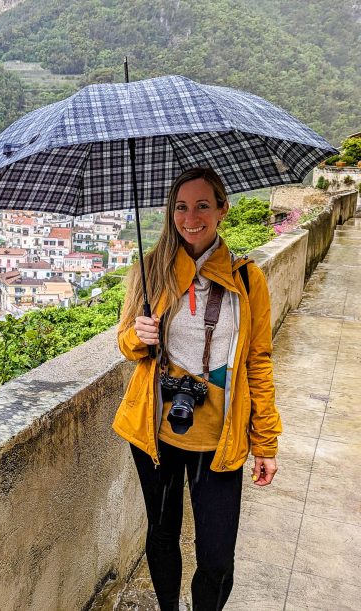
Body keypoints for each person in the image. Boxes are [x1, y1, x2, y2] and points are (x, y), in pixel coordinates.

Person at [112, 167, 282, 611]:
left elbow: (258, 361)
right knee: (163, 533)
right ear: (170, 213)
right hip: (158, 427)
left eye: (203, 205)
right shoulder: (153, 271)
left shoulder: (247, 281)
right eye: (181, 207)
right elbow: (126, 345)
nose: (191, 217)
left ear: (222, 209)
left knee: (217, 554)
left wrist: (265, 441)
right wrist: (139, 335)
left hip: (220, 436)